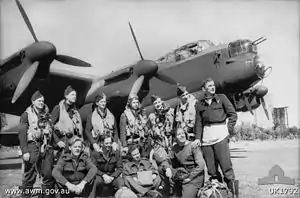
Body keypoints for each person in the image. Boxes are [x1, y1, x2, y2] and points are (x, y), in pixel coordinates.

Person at [194, 77, 239, 198]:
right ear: (204, 89)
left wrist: (227, 130)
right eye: (209, 86)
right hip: (206, 140)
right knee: (212, 171)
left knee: (227, 169)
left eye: (213, 85)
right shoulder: (199, 104)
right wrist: (198, 138)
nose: (212, 87)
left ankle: (234, 195)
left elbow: (233, 115)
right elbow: (198, 123)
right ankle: (220, 194)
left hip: (220, 137)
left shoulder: (222, 98)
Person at [18, 90, 55, 198]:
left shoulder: (47, 114)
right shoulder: (26, 115)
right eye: (39, 101)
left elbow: (51, 129)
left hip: (46, 146)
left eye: (42, 101)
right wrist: (25, 151)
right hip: (32, 146)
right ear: (33, 101)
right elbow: (22, 134)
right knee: (30, 175)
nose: (41, 103)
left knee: (48, 174)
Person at [170, 127, 205, 198]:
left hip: (195, 177)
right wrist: (168, 169)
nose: (182, 135)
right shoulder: (175, 148)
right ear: (175, 138)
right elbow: (167, 160)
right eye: (179, 134)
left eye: (183, 133)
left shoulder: (193, 146)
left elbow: (201, 165)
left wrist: (190, 178)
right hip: (183, 175)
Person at [51, 85, 83, 161]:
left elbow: (79, 128)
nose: (75, 96)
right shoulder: (58, 108)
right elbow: (50, 127)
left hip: (74, 143)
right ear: (66, 96)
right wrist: (57, 141)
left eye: (75, 95)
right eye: (72, 94)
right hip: (63, 142)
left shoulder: (75, 111)